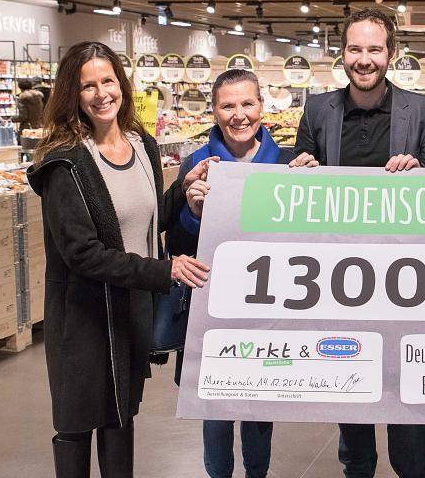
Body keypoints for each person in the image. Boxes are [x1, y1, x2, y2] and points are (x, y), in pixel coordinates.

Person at [26, 41, 211, 478]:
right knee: (76, 421)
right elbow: (84, 254)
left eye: (107, 80)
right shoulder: (64, 165)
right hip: (83, 318)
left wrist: (182, 190)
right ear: (72, 93)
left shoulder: (140, 145)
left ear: (122, 85)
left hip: (128, 312)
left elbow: (142, 221)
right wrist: (163, 271)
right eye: (86, 85)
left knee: (120, 415)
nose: (100, 93)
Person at [291, 7, 425, 478]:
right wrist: (301, 173)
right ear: (342, 54)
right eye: (355, 49)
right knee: (352, 400)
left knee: (408, 417)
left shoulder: (422, 111)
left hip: (407, 287)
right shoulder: (318, 109)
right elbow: (304, 195)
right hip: (342, 287)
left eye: (374, 50)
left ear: (392, 54)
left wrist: (422, 174)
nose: (364, 60)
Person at [168, 69, 301, 478]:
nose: (239, 115)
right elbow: (177, 244)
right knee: (216, 404)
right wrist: (192, 212)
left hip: (269, 304)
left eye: (247, 104)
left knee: (261, 401)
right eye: (228, 106)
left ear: (262, 106)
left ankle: (257, 472)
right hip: (213, 304)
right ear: (214, 110)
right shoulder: (197, 163)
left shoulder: (286, 161)